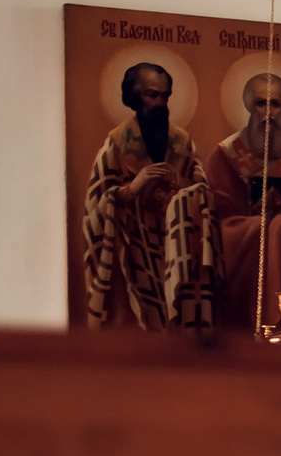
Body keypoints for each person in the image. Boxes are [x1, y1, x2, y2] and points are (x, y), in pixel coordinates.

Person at [82, 62, 216, 330]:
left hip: (179, 249)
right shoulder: (116, 144)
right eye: (152, 95)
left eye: (165, 96)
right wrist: (132, 188)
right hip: (133, 250)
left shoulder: (182, 143)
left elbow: (204, 191)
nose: (160, 103)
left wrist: (184, 186)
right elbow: (96, 207)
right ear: (134, 97)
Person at [206, 71, 281, 337]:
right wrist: (260, 224)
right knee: (266, 227)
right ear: (250, 106)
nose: (268, 112)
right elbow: (219, 211)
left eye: (275, 104)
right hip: (242, 243)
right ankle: (257, 324)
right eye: (261, 104)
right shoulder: (226, 154)